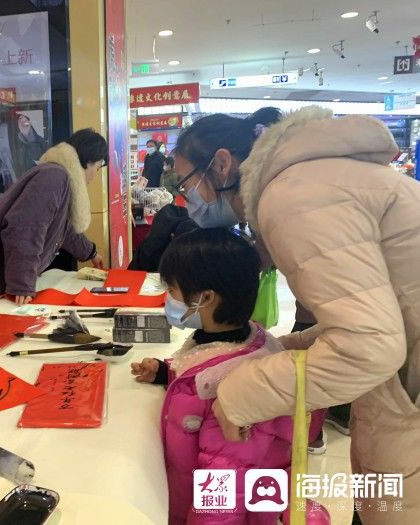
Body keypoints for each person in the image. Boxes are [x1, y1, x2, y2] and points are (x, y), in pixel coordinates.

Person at [172, 107, 420, 524]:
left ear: (221, 164)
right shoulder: (317, 179)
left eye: (186, 184)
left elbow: (370, 347)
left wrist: (239, 395)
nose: (185, 200)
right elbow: (374, 318)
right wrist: (275, 350)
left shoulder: (292, 196)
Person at [130, 228, 325, 524]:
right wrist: (166, 373)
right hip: (183, 489)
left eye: (172, 289)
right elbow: (198, 375)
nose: (167, 298)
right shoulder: (245, 340)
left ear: (205, 297)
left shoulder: (235, 387)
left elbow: (222, 489)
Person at [0, 128, 107, 312]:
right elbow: (25, 228)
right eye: (98, 167)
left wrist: (91, 253)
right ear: (88, 161)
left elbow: (63, 228)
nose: (95, 175)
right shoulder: (54, 177)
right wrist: (21, 284)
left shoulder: (59, 176)